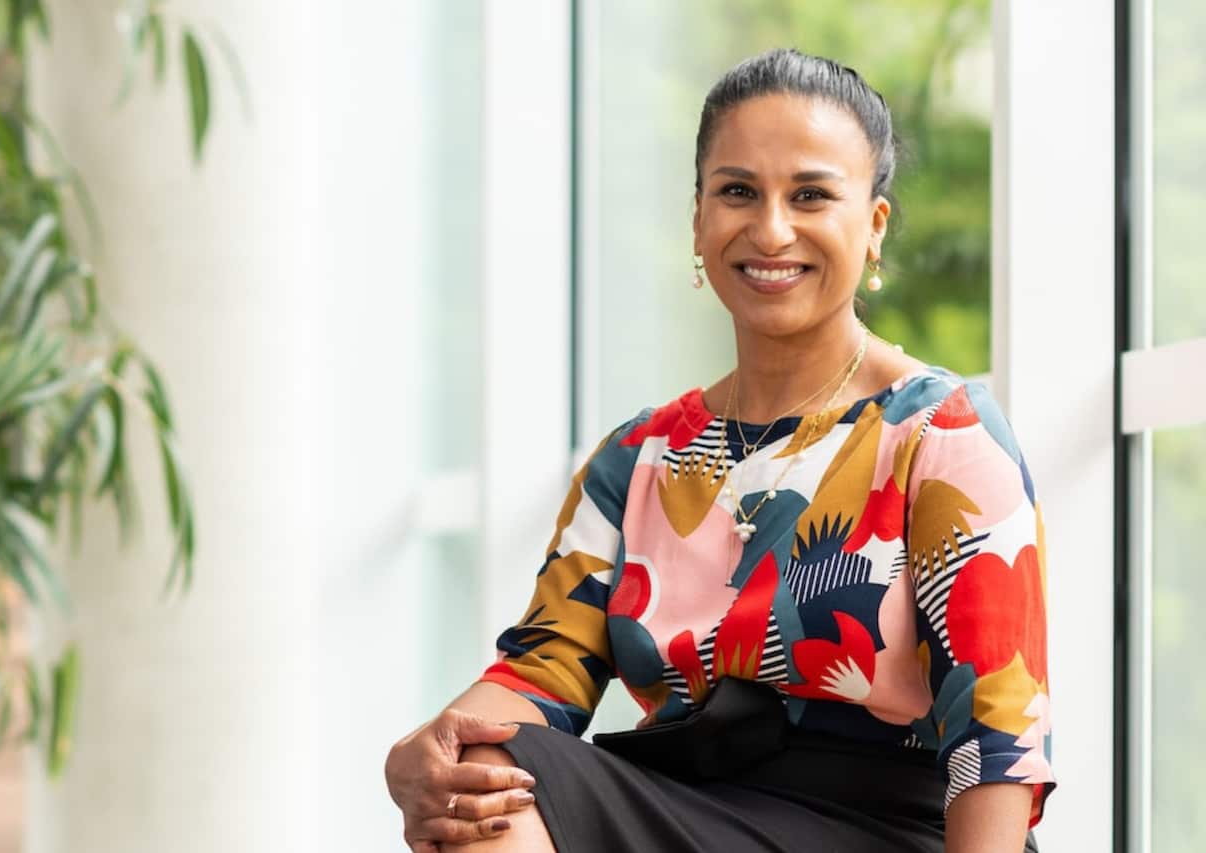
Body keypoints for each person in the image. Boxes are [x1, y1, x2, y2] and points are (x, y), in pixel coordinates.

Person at [385, 47, 1054, 852]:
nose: (771, 229)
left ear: (872, 227)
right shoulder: (638, 456)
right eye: (738, 192)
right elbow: (542, 671)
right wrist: (424, 754)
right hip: (681, 804)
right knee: (484, 777)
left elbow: (996, 738)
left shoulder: (941, 431)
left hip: (874, 825)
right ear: (698, 219)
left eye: (810, 195)